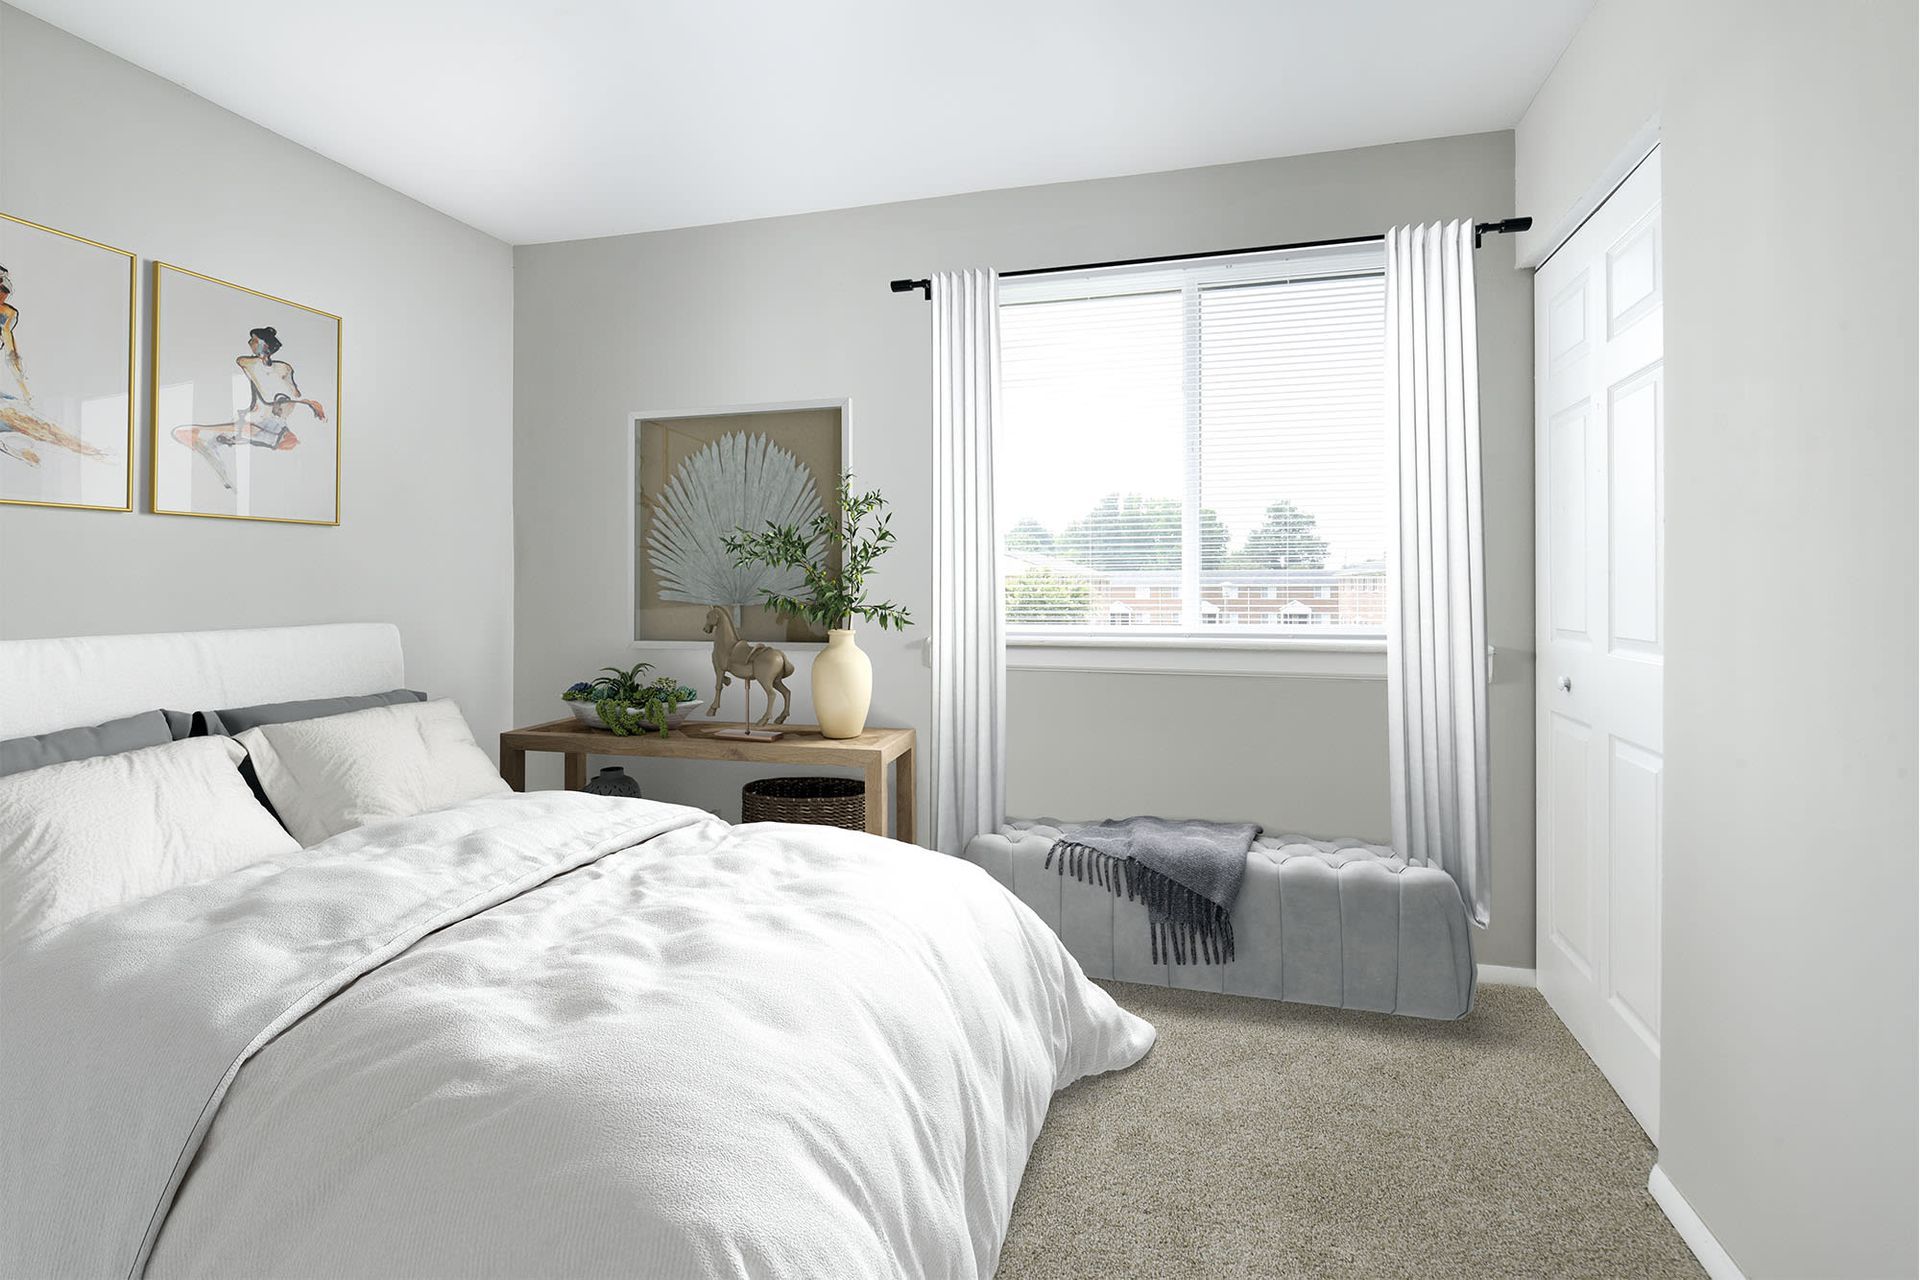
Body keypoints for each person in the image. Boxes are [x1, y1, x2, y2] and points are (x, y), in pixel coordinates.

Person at [172, 326, 326, 490]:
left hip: (272, 427)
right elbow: (269, 391)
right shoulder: (248, 363)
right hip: (258, 421)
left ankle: (224, 476)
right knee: (196, 436)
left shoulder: (283, 369)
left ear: (266, 345)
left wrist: (305, 403)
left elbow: (293, 394)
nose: (249, 342)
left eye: (254, 340)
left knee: (197, 435)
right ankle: (224, 479)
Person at [0, 264, 107, 466]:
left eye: (4, 292)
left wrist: (26, 393)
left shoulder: (7, 315)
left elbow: (12, 355)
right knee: (20, 424)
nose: (3, 296)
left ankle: (95, 453)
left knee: (32, 420)